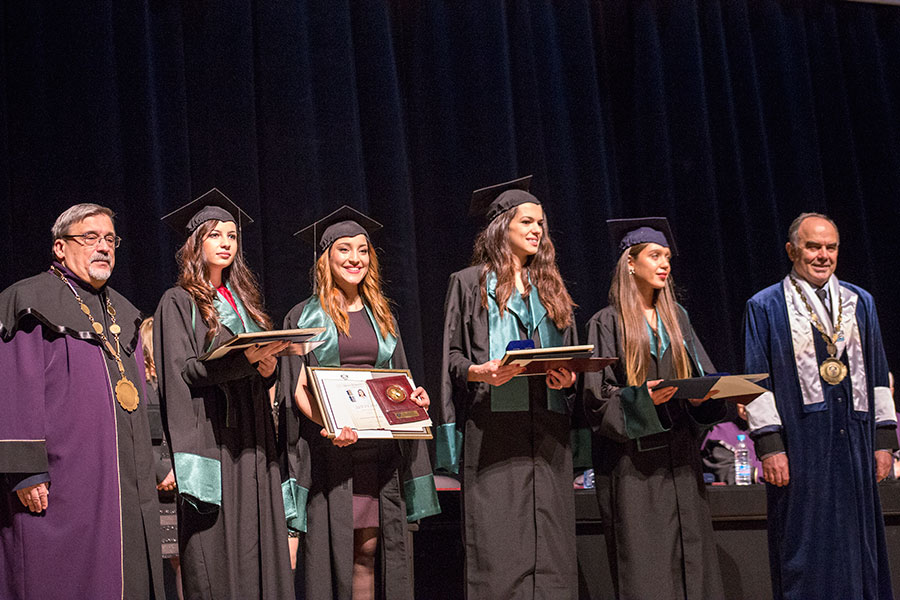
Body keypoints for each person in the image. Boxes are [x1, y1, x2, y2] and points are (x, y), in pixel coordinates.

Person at [0, 204, 164, 599]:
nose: (103, 247)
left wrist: (154, 461)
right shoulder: (28, 300)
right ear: (60, 247)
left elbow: (139, 392)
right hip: (61, 479)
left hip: (123, 477)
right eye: (90, 237)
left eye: (110, 239)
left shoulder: (124, 312)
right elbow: (14, 386)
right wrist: (25, 471)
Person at [280, 205, 440, 600]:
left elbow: (397, 379)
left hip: (376, 451)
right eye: (344, 249)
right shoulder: (304, 316)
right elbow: (296, 388)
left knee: (366, 552)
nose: (355, 259)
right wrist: (330, 425)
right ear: (326, 258)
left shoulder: (382, 315)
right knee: (330, 554)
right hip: (330, 451)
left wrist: (414, 399)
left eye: (363, 250)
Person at [437, 176, 579, 599]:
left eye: (541, 224)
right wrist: (480, 372)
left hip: (548, 433)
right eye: (527, 222)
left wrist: (570, 378)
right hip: (493, 431)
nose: (537, 230)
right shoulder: (468, 283)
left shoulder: (551, 287)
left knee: (552, 549)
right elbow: (451, 358)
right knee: (498, 549)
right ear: (503, 227)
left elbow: (570, 353)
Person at [743, 212, 896, 599]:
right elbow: (756, 382)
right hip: (800, 444)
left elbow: (879, 372)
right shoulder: (766, 306)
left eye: (831, 247)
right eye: (813, 247)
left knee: (859, 543)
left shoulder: (860, 302)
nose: (823, 255)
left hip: (856, 439)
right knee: (805, 546)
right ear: (792, 250)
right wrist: (770, 446)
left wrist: (884, 440)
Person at [153, 189, 294, 599]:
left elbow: (262, 373)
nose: (226, 243)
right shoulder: (178, 302)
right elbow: (184, 371)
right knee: (217, 552)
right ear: (196, 243)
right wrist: (243, 360)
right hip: (212, 437)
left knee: (258, 543)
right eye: (215, 235)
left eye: (232, 236)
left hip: (254, 437)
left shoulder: (245, 303)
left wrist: (268, 370)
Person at [582, 217, 726, 599]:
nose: (665, 264)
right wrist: (643, 399)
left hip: (682, 464)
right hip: (634, 470)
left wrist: (703, 398)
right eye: (655, 256)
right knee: (648, 574)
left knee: (695, 571)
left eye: (667, 258)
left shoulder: (677, 318)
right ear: (630, 263)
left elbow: (702, 376)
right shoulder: (606, 322)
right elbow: (596, 400)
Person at [140, 316, 184, 599]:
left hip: (179, 483)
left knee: (185, 560)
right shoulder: (140, 385)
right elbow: (139, 434)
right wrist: (161, 470)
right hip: (153, 487)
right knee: (150, 562)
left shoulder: (175, 383)